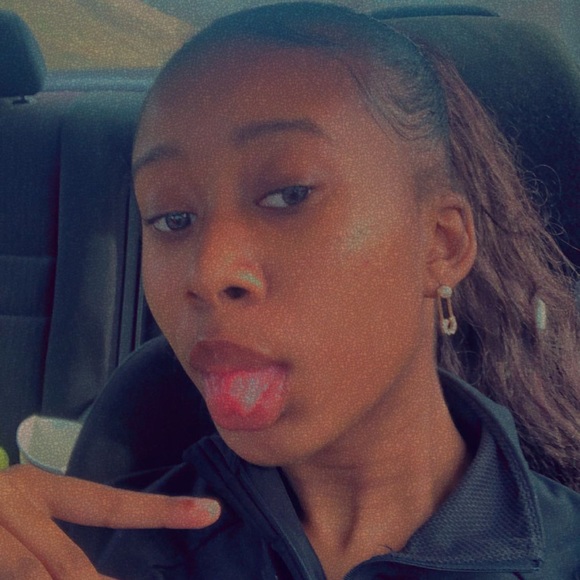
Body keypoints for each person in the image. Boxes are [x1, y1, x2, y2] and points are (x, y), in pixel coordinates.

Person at [1, 2, 579, 578]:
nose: (208, 272)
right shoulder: (85, 558)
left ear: (440, 244)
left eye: (289, 194)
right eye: (172, 218)